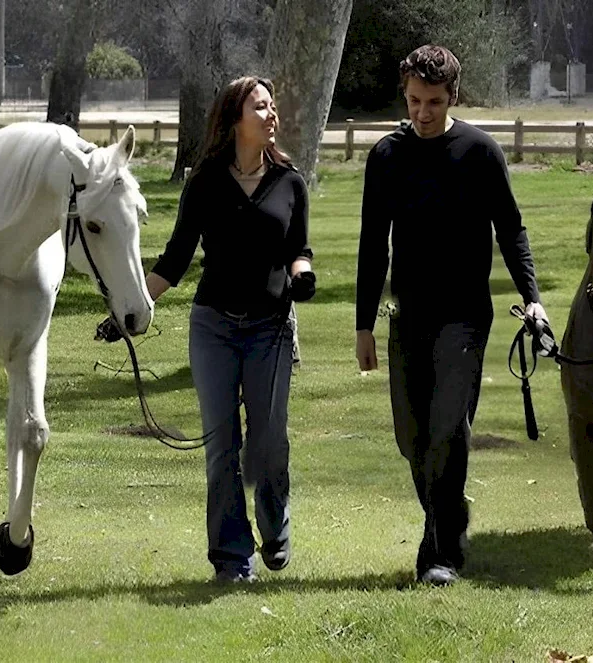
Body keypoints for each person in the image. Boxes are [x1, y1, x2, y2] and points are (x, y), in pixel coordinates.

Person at [354, 45, 550, 585]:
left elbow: (511, 228)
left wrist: (531, 296)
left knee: (447, 429)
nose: (422, 113)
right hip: (407, 316)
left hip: (465, 315)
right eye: (415, 100)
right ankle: (452, 514)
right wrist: (363, 324)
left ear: (453, 98)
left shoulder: (480, 153)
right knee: (411, 438)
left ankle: (440, 555)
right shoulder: (387, 157)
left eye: (434, 102)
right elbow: (373, 245)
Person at [147, 76, 315, 583]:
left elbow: (298, 250)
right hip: (213, 328)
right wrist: (130, 310)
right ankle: (230, 558)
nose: (270, 115)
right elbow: (175, 259)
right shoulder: (204, 183)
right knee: (223, 446)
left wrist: (302, 274)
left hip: (271, 329)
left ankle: (274, 525)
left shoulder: (290, 182)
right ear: (234, 118)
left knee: (266, 445)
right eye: (258, 107)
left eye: (271, 107)